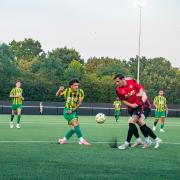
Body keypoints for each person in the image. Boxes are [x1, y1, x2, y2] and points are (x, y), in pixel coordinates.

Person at [114, 74, 162, 149]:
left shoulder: (133, 84)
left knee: (132, 121)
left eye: (117, 81)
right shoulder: (118, 90)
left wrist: (137, 103)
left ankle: (127, 143)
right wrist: (132, 105)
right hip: (131, 108)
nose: (116, 83)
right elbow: (123, 100)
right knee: (141, 124)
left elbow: (144, 95)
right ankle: (155, 139)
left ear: (123, 79)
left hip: (143, 107)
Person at [56, 79, 90, 145]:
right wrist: (59, 90)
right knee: (76, 124)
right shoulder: (67, 91)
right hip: (67, 111)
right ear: (71, 86)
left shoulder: (80, 92)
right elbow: (57, 95)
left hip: (73, 111)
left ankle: (63, 140)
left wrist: (72, 110)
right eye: (75, 85)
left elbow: (80, 103)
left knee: (74, 128)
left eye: (77, 85)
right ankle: (82, 140)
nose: (77, 87)